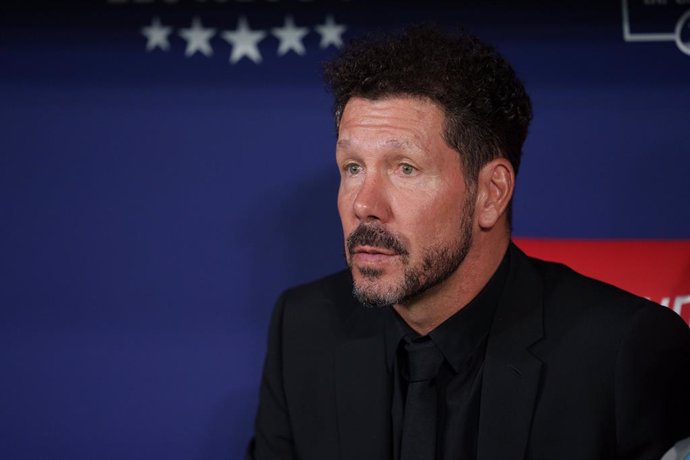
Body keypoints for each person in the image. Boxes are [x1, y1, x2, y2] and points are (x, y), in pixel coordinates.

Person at [246, 25, 690, 460]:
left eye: (405, 168)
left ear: (490, 193)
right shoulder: (303, 329)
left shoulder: (622, 355)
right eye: (353, 167)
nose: (364, 205)